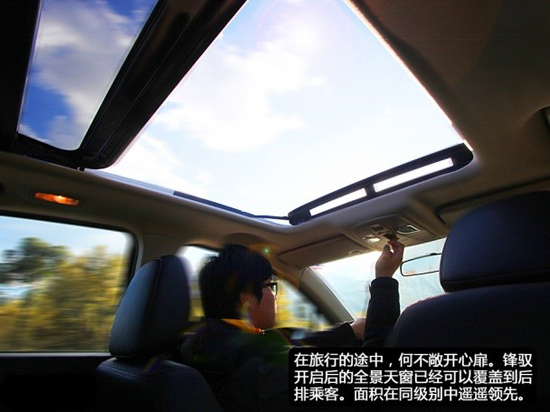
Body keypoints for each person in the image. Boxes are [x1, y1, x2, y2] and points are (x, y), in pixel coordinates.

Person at [176, 240, 403, 411]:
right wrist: (383, 279)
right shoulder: (269, 376)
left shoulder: (197, 348)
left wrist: (348, 331)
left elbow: (283, 344)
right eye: (269, 286)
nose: (274, 296)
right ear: (245, 298)